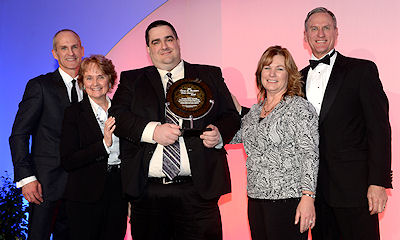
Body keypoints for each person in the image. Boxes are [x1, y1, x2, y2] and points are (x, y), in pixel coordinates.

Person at [109, 20, 240, 240]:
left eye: (169, 39)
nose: (164, 46)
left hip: (198, 192)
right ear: (149, 49)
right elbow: (118, 117)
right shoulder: (132, 79)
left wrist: (219, 134)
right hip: (148, 194)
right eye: (156, 42)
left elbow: (231, 116)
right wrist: (153, 132)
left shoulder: (209, 75)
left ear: (178, 42)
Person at [301, 7, 392, 240]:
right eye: (314, 28)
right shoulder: (297, 78)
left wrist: (378, 182)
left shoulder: (362, 70)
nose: (320, 33)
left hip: (355, 190)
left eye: (326, 28)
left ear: (336, 32)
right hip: (315, 193)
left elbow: (379, 129)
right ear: (305, 35)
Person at [231, 45, 319, 240]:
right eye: (267, 67)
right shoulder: (255, 111)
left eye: (279, 68)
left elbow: (309, 154)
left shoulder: (300, 108)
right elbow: (236, 136)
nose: (272, 73)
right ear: (259, 72)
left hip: (288, 201)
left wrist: (308, 197)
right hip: (256, 199)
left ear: (290, 74)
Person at [9, 29, 84, 239]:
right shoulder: (40, 86)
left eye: (74, 46)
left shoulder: (91, 86)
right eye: (63, 48)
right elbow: (19, 134)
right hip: (45, 185)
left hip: (81, 185)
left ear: (82, 50)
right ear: (55, 54)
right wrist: (26, 177)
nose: (70, 52)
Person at [60, 55, 127, 240]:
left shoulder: (124, 111)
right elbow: (68, 160)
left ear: (111, 79)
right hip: (84, 196)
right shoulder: (73, 113)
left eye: (101, 76)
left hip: (119, 192)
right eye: (89, 77)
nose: (95, 83)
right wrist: (104, 145)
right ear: (82, 82)